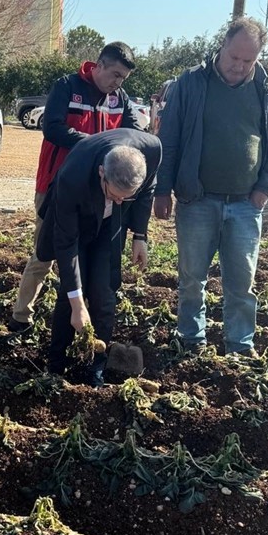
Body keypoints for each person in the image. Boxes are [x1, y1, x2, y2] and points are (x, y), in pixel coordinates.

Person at [153, 17, 268, 355]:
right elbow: (168, 138)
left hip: (245, 204)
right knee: (192, 278)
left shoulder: (267, 88)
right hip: (197, 199)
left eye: (248, 60)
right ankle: (190, 338)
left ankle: (239, 344)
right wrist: (162, 189)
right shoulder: (192, 83)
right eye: (234, 58)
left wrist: (265, 189)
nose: (239, 67)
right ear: (222, 46)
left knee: (242, 283)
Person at [10, 41, 143, 332]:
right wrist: (95, 144)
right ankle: (21, 315)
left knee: (84, 255)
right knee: (44, 252)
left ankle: (74, 311)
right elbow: (53, 128)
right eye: (116, 75)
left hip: (99, 192)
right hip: (57, 186)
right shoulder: (68, 86)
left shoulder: (119, 98)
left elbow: (134, 134)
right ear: (99, 65)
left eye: (124, 78)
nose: (118, 83)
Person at [36, 129, 161, 385]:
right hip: (77, 222)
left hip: (109, 227)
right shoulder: (73, 176)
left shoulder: (152, 149)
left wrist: (140, 235)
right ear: (102, 173)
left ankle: (96, 368)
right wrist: (78, 305)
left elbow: (148, 190)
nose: (118, 201)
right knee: (71, 294)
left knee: (104, 291)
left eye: (125, 197)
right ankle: (56, 365)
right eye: (114, 194)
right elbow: (67, 244)